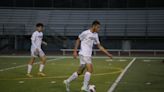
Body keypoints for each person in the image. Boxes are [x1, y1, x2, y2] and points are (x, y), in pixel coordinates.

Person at [63, 20, 112, 92]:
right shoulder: (85, 33)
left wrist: (108, 54)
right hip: (84, 54)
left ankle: (67, 81)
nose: (99, 29)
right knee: (90, 70)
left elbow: (99, 46)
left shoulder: (95, 35)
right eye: (98, 27)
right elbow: (78, 40)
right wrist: (74, 51)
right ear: (94, 26)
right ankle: (84, 87)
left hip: (87, 55)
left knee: (80, 72)